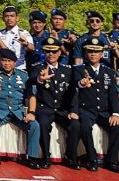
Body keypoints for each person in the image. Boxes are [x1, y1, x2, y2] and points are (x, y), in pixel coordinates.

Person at [0, 48, 41, 169]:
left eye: (9, 61)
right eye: (4, 60)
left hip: (17, 110)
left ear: (15, 62)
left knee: (34, 125)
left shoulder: (23, 75)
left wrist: (31, 112)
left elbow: (31, 96)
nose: (7, 64)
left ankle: (32, 157)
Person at [29, 37, 81, 170]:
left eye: (54, 51)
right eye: (47, 51)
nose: (50, 54)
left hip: (62, 109)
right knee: (43, 124)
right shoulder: (38, 68)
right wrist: (40, 79)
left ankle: (70, 157)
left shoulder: (68, 69)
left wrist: (73, 110)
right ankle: (46, 157)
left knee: (75, 125)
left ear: (59, 53)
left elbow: (73, 93)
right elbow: (30, 81)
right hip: (45, 107)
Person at [74, 37, 119, 172]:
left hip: (104, 111)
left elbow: (112, 95)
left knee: (117, 127)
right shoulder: (79, 70)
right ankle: (92, 159)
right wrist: (81, 83)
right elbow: (76, 85)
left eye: (96, 52)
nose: (93, 54)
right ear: (86, 54)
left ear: (101, 54)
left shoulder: (109, 72)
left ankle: (110, 160)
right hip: (86, 109)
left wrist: (116, 113)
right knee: (85, 127)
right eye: (89, 51)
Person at [0, 6, 34, 70]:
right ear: (3, 19)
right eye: (6, 16)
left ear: (17, 18)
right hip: (2, 69)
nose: (9, 18)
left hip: (19, 68)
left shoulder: (23, 33)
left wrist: (26, 44)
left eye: (12, 16)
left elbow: (32, 48)